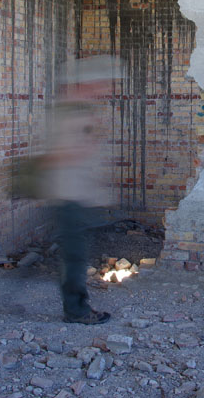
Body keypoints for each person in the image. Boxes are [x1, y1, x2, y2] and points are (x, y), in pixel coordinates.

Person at [37, 56, 119, 325]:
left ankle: (76, 305)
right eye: (102, 83)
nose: (105, 88)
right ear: (89, 83)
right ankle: (77, 311)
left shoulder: (80, 108)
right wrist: (85, 148)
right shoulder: (70, 110)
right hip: (67, 194)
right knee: (74, 256)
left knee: (74, 253)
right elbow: (59, 153)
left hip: (75, 194)